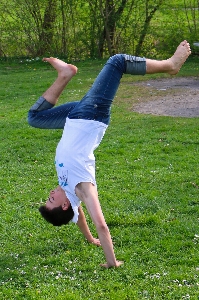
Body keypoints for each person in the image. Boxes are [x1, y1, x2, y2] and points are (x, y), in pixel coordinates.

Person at [28, 40, 191, 268]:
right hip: (90, 114)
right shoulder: (82, 187)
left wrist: (89, 238)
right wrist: (111, 261)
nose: (51, 193)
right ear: (64, 205)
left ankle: (66, 73)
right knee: (117, 62)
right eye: (51, 199)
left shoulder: (69, 194)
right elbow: (100, 224)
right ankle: (170, 65)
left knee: (34, 118)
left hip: (74, 117)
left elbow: (79, 218)